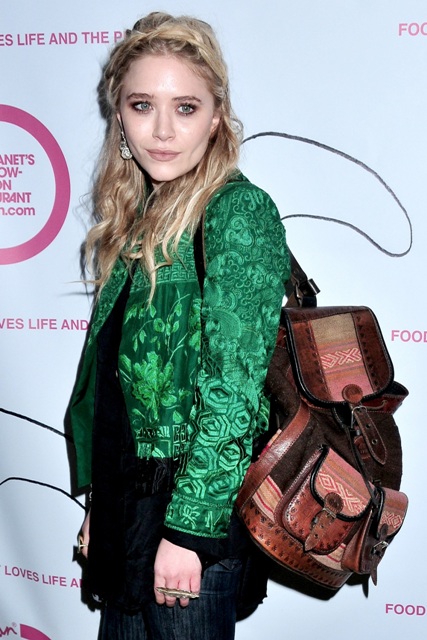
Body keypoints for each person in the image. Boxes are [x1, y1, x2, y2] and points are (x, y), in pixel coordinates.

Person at [70, 11, 290, 640]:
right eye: (142, 105)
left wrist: (188, 533)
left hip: (193, 517)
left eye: (186, 108)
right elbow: (120, 392)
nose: (162, 131)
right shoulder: (137, 216)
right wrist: (103, 506)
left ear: (216, 117)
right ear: (119, 116)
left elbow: (234, 391)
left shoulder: (236, 211)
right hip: (130, 509)